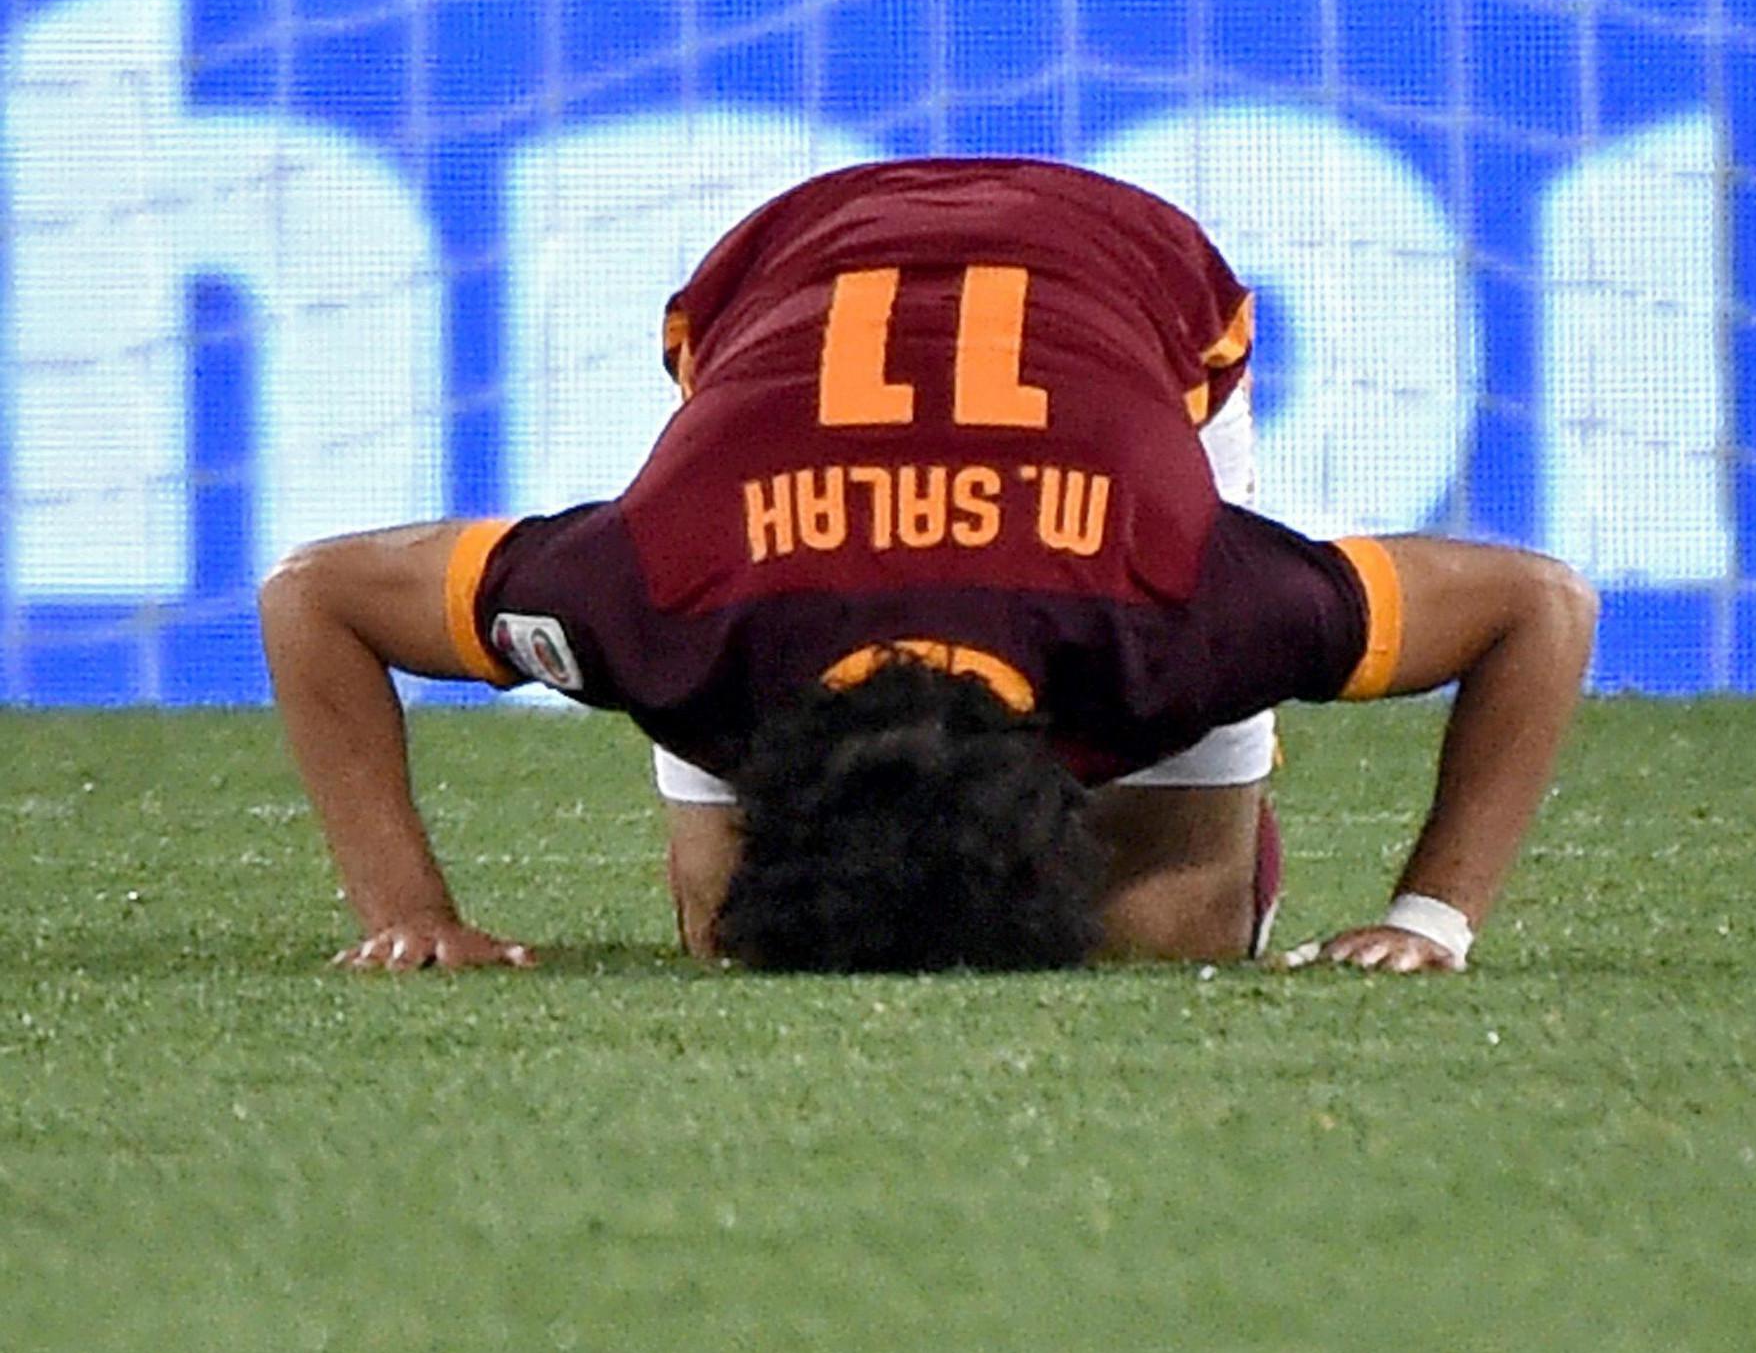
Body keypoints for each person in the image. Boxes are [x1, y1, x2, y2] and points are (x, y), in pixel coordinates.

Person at [259, 157, 1594, 974]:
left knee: (1167, 933)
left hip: (1139, 285)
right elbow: (315, 602)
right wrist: (405, 913)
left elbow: (1538, 609)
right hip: (776, 288)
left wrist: (1435, 916)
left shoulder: (1186, 608)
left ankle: (1216, 853)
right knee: (736, 935)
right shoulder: (666, 603)